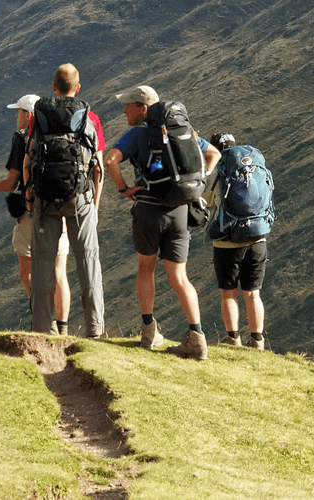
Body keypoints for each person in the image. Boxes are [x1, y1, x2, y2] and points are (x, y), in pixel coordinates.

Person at [107, 85, 221, 359]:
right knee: (180, 276)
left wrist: (123, 189)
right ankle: (197, 338)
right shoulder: (181, 130)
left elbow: (110, 159)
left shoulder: (138, 134)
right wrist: (198, 183)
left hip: (148, 209)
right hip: (180, 210)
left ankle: (149, 332)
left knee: (145, 268)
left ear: (143, 108)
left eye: (129, 105)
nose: (124, 110)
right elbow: (214, 153)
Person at [0, 94, 70, 331]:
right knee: (58, 273)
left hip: (32, 211)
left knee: (26, 271)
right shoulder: (60, 134)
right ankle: (62, 329)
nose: (16, 116)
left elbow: (12, 183)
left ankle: (44, 323)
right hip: (60, 207)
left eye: (20, 111)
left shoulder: (22, 139)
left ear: (29, 115)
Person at [22, 63, 108, 338]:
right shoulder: (90, 118)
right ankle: (94, 329)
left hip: (44, 200)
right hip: (80, 199)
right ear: (78, 88)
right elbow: (99, 168)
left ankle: (42, 330)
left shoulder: (40, 117)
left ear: (54, 88)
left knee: (43, 264)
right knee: (88, 262)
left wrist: (28, 195)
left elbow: (28, 159)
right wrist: (94, 206)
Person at [206, 134, 268, 350]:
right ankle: (257, 341)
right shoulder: (253, 167)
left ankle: (233, 339)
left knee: (228, 293)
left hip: (228, 241)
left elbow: (204, 199)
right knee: (252, 293)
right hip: (258, 237)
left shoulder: (218, 171)